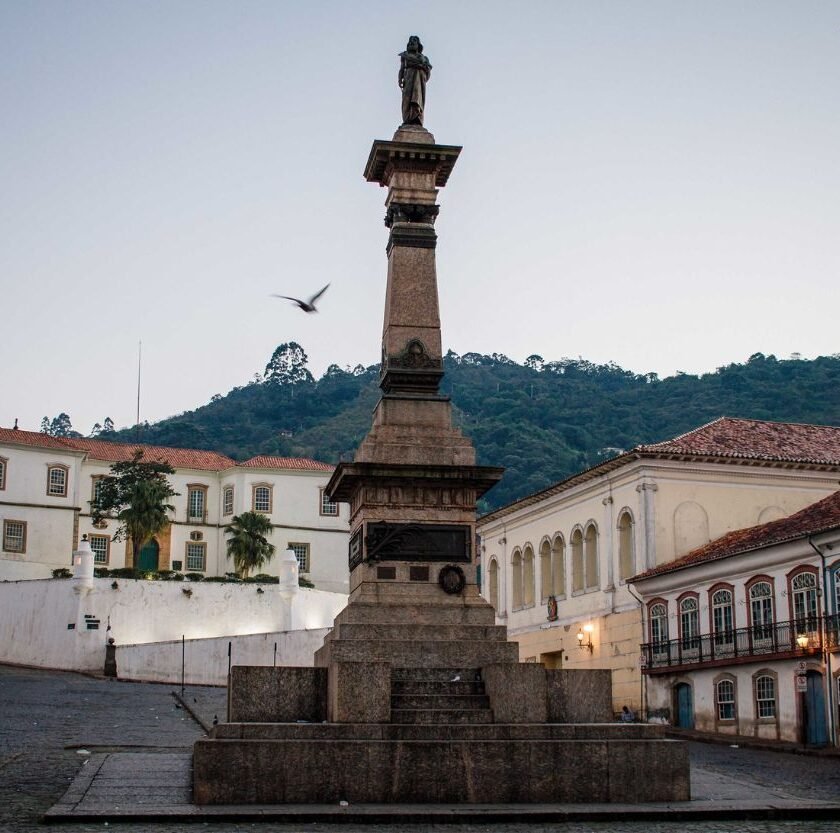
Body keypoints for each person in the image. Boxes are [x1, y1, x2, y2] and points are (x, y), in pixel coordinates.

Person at [398, 36, 432, 126]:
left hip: (419, 81)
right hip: (408, 78)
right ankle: (407, 120)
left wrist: (423, 71)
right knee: (407, 100)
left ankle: (417, 119)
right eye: (410, 41)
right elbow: (401, 69)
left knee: (417, 98)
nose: (411, 43)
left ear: (418, 45)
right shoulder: (405, 56)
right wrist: (399, 79)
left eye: (414, 41)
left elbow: (428, 72)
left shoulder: (424, 58)